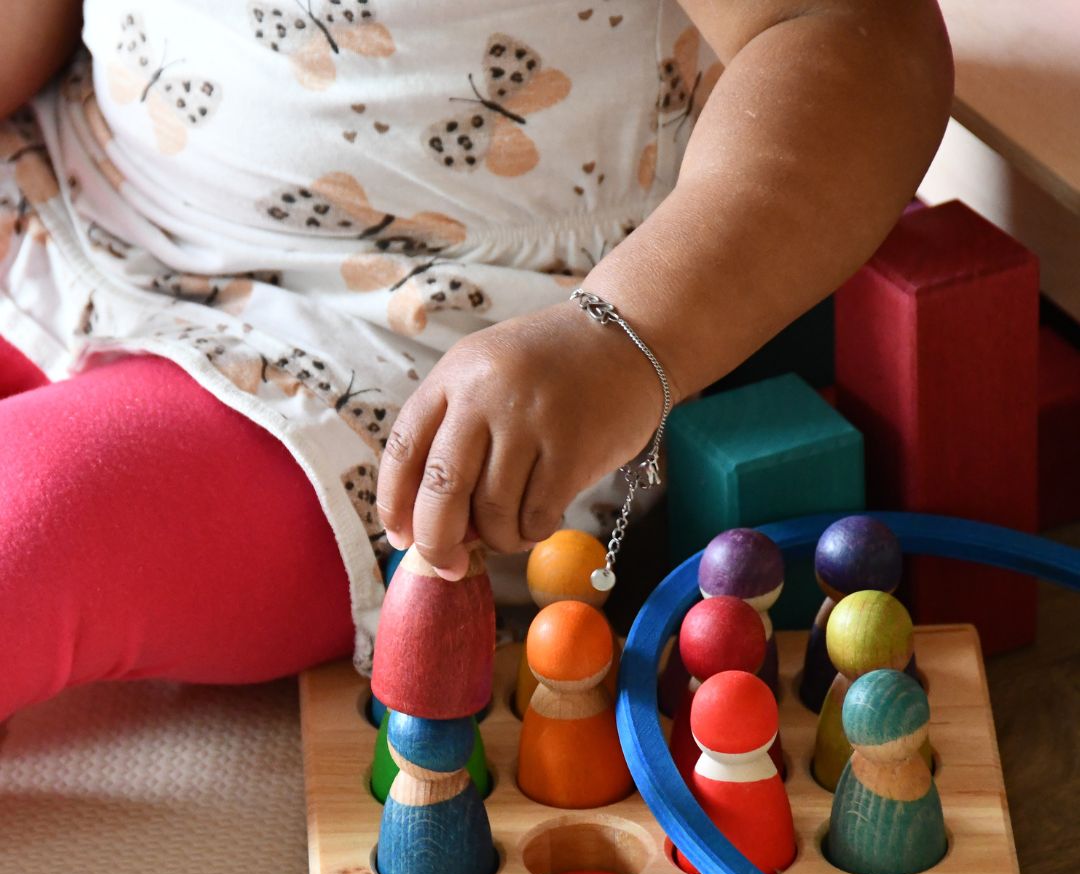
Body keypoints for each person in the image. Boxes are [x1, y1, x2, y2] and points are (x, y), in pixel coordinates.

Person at [0, 0, 952, 719]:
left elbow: (852, 37)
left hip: (413, 357)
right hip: (66, 187)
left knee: (32, 521)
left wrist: (621, 334)